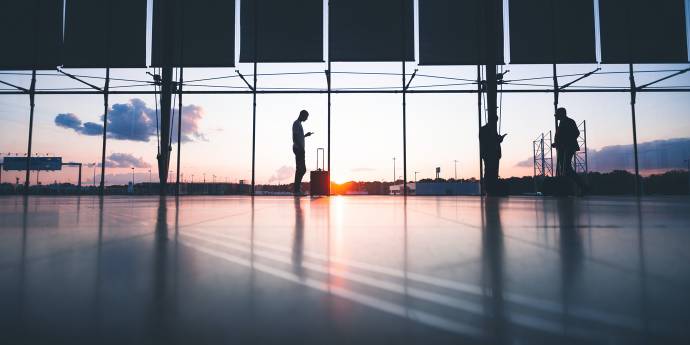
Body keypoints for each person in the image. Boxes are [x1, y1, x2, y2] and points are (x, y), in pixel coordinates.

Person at [552, 107, 587, 194]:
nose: (556, 116)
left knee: (566, 169)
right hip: (564, 147)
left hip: (567, 147)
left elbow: (575, 133)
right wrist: (558, 144)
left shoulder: (568, 122)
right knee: (566, 169)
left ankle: (582, 186)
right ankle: (579, 187)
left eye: (557, 114)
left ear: (561, 114)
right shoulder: (564, 122)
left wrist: (564, 143)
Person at [479, 115, 507, 195]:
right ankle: (489, 189)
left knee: (489, 171)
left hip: (490, 154)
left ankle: (489, 189)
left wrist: (498, 139)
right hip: (490, 154)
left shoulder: (485, 129)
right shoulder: (488, 129)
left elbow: (490, 140)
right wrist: (500, 139)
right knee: (490, 171)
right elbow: (490, 141)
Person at [292, 110, 313, 195]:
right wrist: (300, 147)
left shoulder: (299, 124)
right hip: (299, 148)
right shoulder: (296, 123)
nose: (306, 119)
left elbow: (299, 136)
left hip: (299, 148)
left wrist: (305, 135)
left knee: (301, 169)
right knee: (301, 169)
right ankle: (296, 190)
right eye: (306, 117)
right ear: (302, 115)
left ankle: (297, 189)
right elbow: (295, 136)